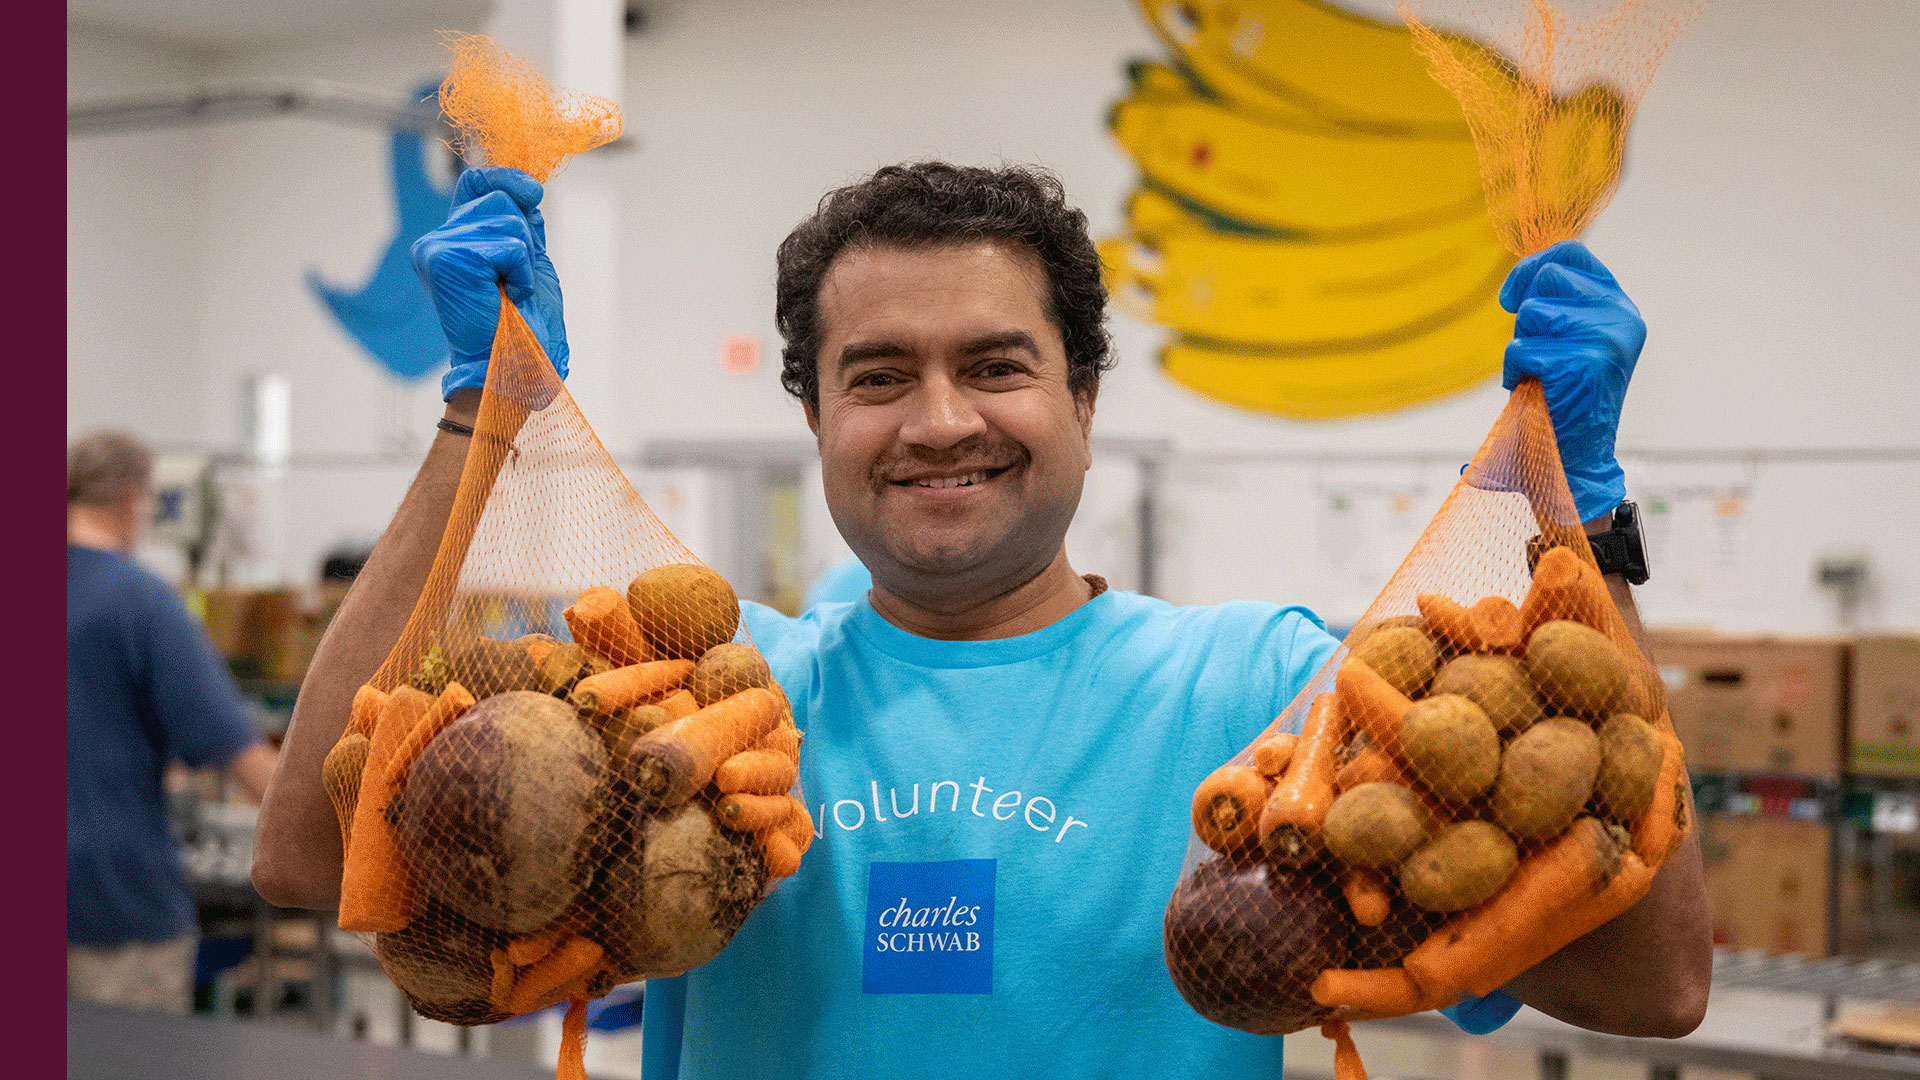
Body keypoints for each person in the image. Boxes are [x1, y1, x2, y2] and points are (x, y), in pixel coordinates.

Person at [254, 163, 1711, 1076]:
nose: (940, 422)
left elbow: (1651, 983)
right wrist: (478, 415)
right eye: (878, 375)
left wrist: (1587, 518)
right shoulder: (695, 694)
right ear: (814, 416)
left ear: (1082, 398)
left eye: (997, 366)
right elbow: (315, 854)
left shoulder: (1273, 697)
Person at [67, 431, 279, 1013]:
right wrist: (336, 836)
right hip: (113, 905)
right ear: (135, 501)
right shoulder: (142, 604)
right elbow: (234, 749)